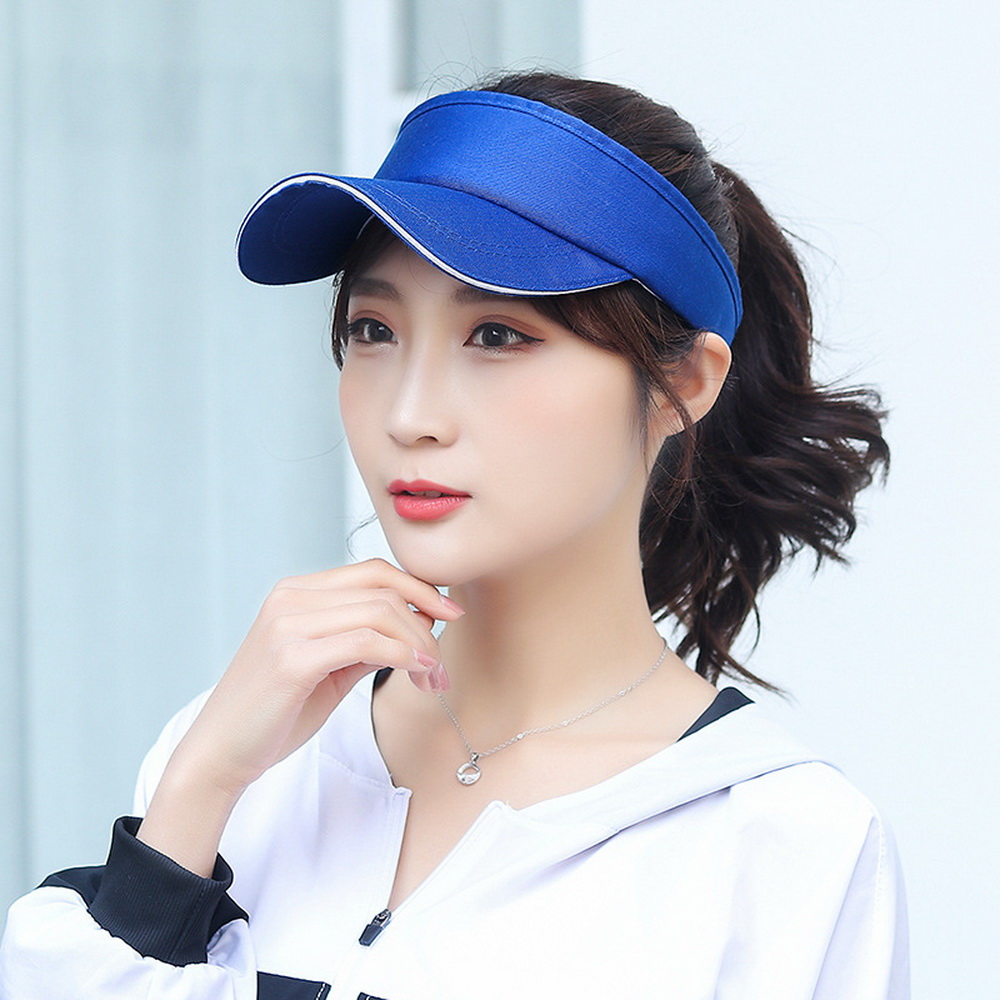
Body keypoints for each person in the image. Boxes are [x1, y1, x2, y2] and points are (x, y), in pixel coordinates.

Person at [0, 71, 909, 998]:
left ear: (685, 381)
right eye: (373, 329)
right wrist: (199, 788)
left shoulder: (781, 846)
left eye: (499, 335)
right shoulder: (240, 756)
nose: (409, 415)